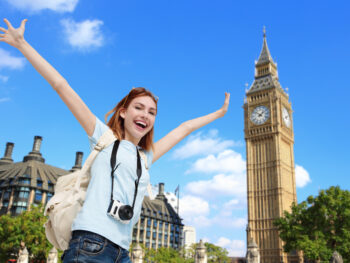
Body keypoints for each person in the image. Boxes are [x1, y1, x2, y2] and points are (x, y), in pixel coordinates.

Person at [0, 19, 230, 263]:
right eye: (139, 107)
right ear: (123, 111)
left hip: (123, 251)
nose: (145, 114)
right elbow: (61, 86)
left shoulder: (145, 157)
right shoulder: (104, 138)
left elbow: (184, 128)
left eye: (151, 112)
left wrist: (220, 113)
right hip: (90, 245)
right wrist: (22, 44)